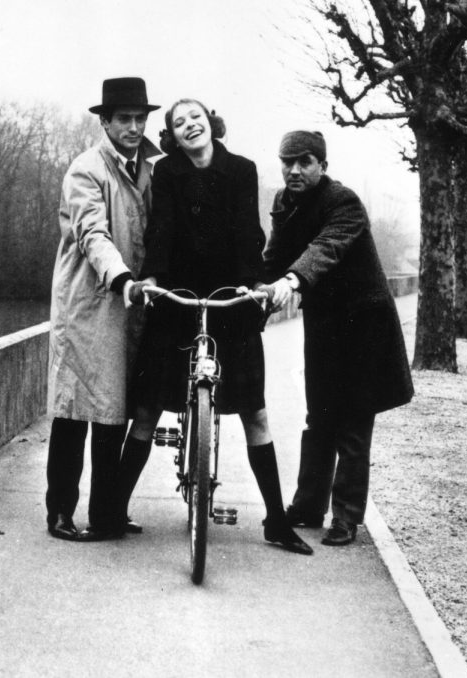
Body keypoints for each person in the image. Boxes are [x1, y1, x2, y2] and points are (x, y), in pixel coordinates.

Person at [119, 99, 313, 555]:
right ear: (172, 136)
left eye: (196, 118)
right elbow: (161, 229)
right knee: (147, 408)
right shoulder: (167, 172)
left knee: (255, 413)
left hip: (231, 297)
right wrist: (152, 279)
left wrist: (256, 285)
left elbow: (249, 232)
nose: (190, 126)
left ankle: (276, 521)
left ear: (210, 123)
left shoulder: (242, 169)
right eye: (179, 123)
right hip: (178, 297)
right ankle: (112, 508)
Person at [262, 130, 413, 546]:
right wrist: (255, 287)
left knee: (354, 421)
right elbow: (274, 256)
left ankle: (346, 516)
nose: (294, 170)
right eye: (287, 162)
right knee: (319, 416)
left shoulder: (343, 202)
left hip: (364, 323)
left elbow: (326, 248)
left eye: (304, 162)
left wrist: (292, 280)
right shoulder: (284, 202)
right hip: (324, 322)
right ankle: (308, 506)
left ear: (322, 166)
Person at [45, 77, 161, 542]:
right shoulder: (86, 170)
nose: (133, 127)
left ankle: (106, 513)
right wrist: (122, 278)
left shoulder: (147, 168)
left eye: (140, 119)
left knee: (114, 411)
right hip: (87, 302)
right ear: (105, 122)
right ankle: (59, 512)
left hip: (128, 303)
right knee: (73, 411)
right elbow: (93, 233)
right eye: (124, 119)